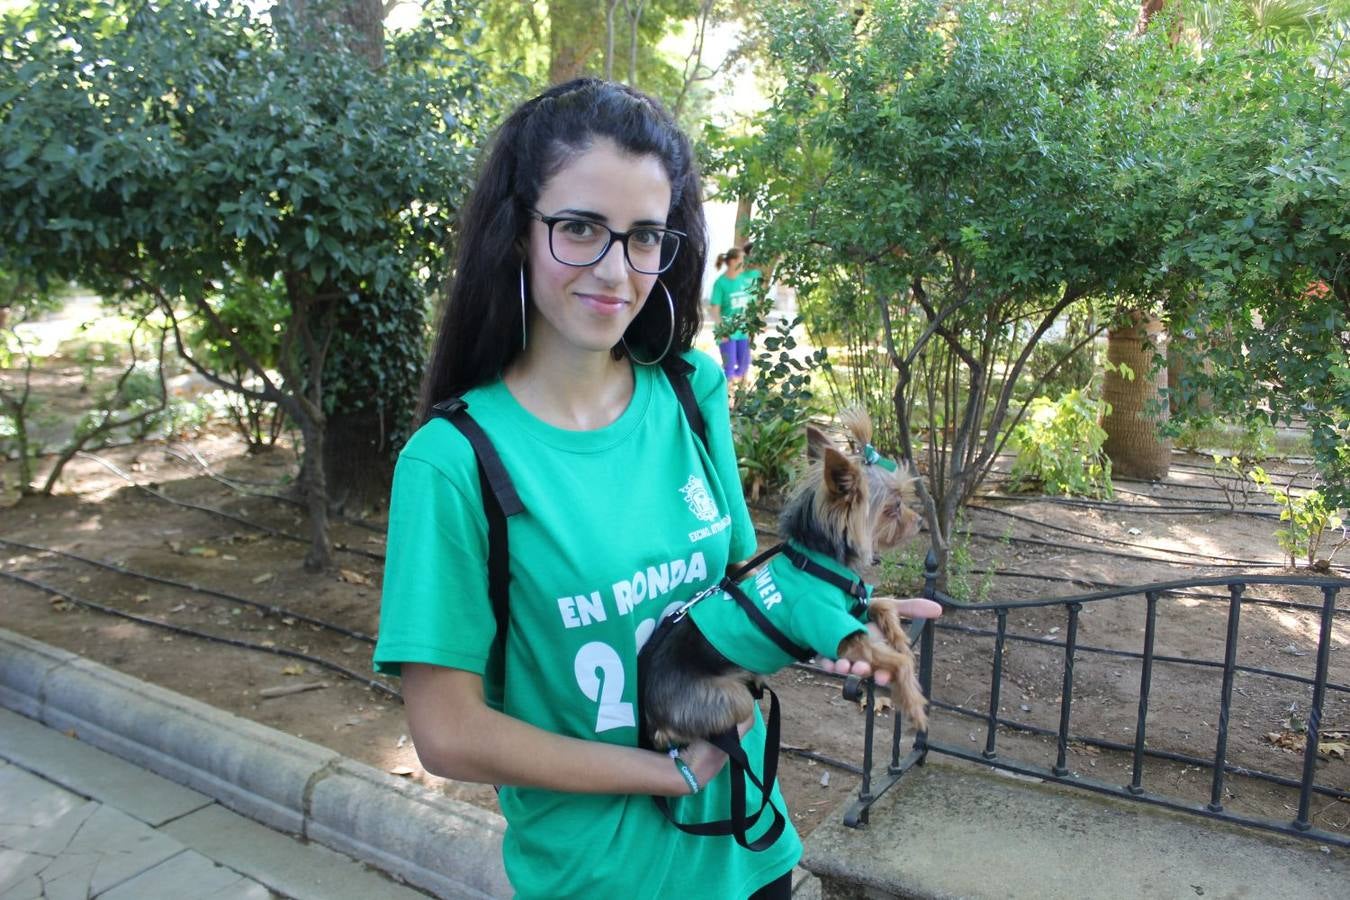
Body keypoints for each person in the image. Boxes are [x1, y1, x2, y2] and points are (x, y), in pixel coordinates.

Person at [373, 78, 939, 899]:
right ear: (516, 230)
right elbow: (447, 734)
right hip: (606, 876)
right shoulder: (453, 461)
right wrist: (659, 773)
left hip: (750, 843)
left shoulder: (690, 391)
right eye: (579, 228)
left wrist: (834, 617)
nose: (616, 270)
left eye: (645, 237)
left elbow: (739, 592)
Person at [709, 245, 760, 396]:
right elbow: (715, 310)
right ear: (732, 262)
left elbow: (757, 297)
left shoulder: (750, 277)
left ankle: (738, 397)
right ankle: (724, 400)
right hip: (727, 333)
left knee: (744, 367)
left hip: (743, 332)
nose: (745, 262)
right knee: (729, 369)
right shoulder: (721, 283)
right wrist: (722, 331)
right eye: (741, 259)